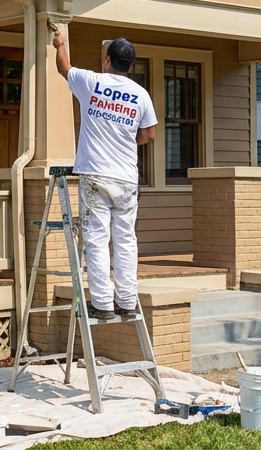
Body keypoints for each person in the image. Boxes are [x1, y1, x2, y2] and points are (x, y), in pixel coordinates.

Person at [51, 23, 157, 320]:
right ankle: (126, 301)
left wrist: (60, 42)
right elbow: (149, 135)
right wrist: (127, 138)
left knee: (96, 238)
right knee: (125, 240)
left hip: (96, 175)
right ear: (130, 65)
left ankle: (103, 305)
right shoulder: (141, 94)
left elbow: (64, 68)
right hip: (126, 178)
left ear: (108, 60)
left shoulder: (90, 82)